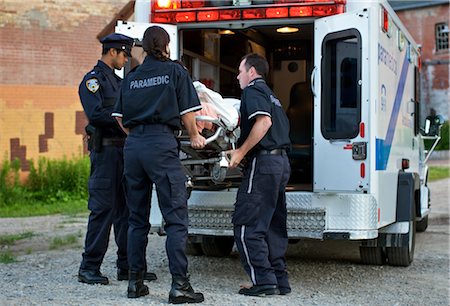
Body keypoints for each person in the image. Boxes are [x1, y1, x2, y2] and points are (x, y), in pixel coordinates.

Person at [112, 26, 206, 303]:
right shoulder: (175, 72)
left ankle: (135, 283)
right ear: (166, 46)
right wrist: (195, 135)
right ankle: (179, 286)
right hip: (161, 146)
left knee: (136, 219)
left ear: (143, 46)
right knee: (176, 218)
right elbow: (188, 112)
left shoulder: (132, 77)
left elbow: (118, 116)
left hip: (134, 149)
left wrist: (137, 137)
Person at [78, 33, 156, 285]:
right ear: (112, 52)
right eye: (124, 54)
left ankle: (127, 266)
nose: (126, 59)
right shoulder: (93, 81)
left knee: (127, 210)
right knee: (103, 209)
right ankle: (89, 267)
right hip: (106, 154)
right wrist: (125, 122)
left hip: (125, 152)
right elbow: (97, 114)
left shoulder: (121, 81)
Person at [227, 53, 292, 296]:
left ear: (251, 72)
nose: (237, 76)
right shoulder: (272, 96)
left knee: (247, 225)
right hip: (281, 163)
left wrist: (240, 152)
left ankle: (263, 281)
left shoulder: (252, 91)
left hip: (263, 163)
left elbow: (263, 123)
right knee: (273, 225)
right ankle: (279, 281)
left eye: (240, 71)